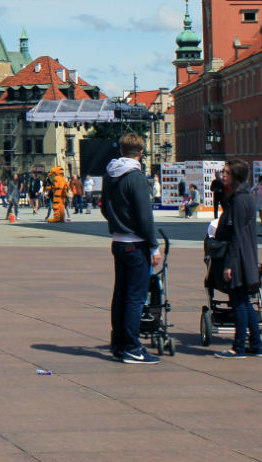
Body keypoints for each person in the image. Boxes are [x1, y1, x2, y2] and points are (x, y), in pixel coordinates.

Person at [102, 133, 161, 364]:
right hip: (136, 243)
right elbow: (145, 216)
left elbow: (105, 208)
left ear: (121, 150)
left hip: (118, 241)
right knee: (135, 298)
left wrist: (117, 223)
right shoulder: (136, 177)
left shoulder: (110, 174)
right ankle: (133, 348)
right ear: (141, 152)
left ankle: (118, 344)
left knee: (120, 295)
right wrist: (154, 245)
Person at [214, 159, 262, 358]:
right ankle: (256, 344)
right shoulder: (244, 197)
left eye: (226, 172)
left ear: (236, 176)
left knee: (239, 303)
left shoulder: (238, 200)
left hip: (239, 258)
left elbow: (235, 235)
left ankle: (238, 348)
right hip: (247, 256)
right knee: (245, 302)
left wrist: (228, 265)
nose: (223, 175)